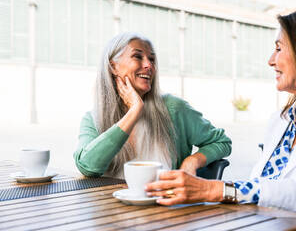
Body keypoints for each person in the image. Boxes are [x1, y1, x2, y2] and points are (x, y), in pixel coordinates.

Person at [146, 8, 296, 231]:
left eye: (278, 48)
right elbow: (261, 188)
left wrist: (214, 189)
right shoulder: (282, 120)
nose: (270, 60)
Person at [74, 32, 231, 179]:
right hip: (111, 207)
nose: (149, 65)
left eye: (152, 59)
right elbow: (88, 167)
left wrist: (193, 160)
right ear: (113, 67)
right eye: (137, 56)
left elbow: (222, 142)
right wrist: (134, 111)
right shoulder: (93, 119)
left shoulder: (173, 108)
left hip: (164, 206)